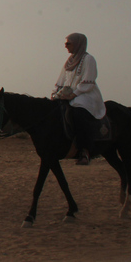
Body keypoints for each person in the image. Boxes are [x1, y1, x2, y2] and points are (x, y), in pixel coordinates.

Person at [51, 33, 105, 165]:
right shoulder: (69, 61)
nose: (65, 46)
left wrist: (73, 94)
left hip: (85, 95)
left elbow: (88, 82)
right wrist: (56, 93)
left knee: (78, 113)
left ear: (78, 44)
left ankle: (84, 151)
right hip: (68, 94)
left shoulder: (88, 59)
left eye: (68, 43)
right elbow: (60, 81)